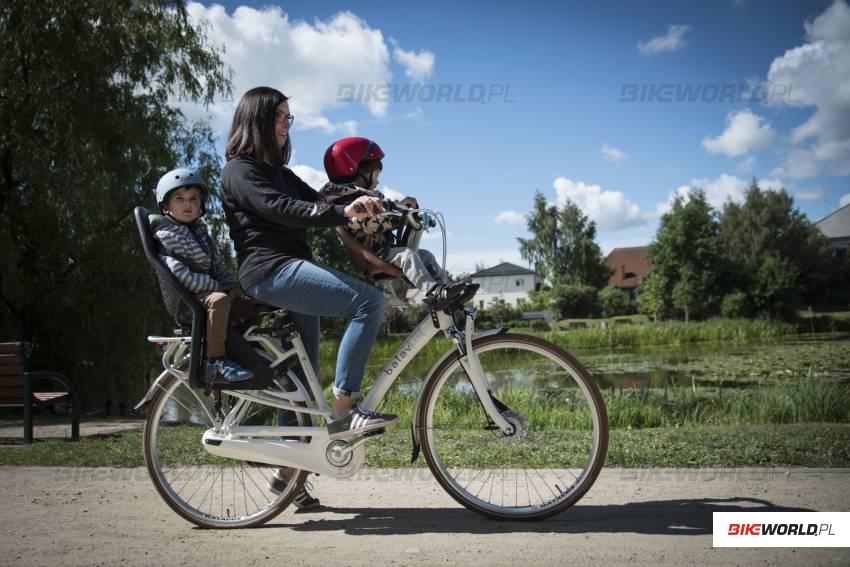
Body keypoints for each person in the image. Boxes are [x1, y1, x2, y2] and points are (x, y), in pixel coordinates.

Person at [219, 87, 401, 507]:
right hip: (270, 270)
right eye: (281, 117)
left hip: (290, 271)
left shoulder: (279, 172)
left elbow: (320, 199)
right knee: (368, 302)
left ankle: (289, 480)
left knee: (297, 384)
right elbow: (284, 209)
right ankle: (344, 412)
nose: (287, 125)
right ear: (259, 120)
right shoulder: (240, 171)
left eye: (289, 118)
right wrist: (341, 213)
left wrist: (381, 203)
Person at [320, 137, 472, 304]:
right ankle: (433, 293)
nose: (378, 180)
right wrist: (400, 216)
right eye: (376, 174)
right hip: (373, 255)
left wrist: (402, 206)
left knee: (426, 256)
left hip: (385, 251)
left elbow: (386, 208)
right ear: (359, 170)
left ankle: (448, 290)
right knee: (407, 256)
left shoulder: (366, 197)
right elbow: (371, 221)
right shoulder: (348, 203)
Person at [151, 168, 255, 383]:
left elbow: (216, 263)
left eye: (193, 199)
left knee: (251, 307)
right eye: (179, 199)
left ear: (201, 205)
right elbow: (178, 273)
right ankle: (214, 361)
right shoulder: (167, 235)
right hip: (187, 296)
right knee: (219, 300)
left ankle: (250, 351)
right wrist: (217, 287)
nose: (187, 204)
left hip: (208, 289)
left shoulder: (200, 233)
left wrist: (228, 283)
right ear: (166, 206)